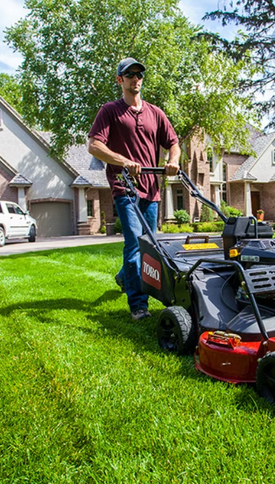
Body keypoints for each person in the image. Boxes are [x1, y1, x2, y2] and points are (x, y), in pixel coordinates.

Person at [88, 58, 181, 321]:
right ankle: (139, 305)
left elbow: (173, 143)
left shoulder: (155, 113)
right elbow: (94, 146)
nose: (135, 79)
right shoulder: (110, 111)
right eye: (129, 75)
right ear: (120, 80)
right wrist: (123, 161)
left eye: (139, 74)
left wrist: (173, 160)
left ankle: (123, 276)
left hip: (151, 190)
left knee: (149, 247)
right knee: (133, 244)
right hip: (124, 187)